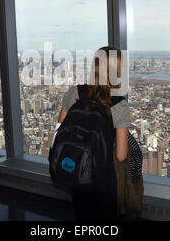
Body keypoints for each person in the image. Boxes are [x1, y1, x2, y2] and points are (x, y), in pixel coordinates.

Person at [56, 46, 130, 221]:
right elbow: (121, 155)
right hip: (103, 178)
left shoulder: (75, 92)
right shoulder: (119, 104)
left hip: (77, 167)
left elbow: (59, 129)